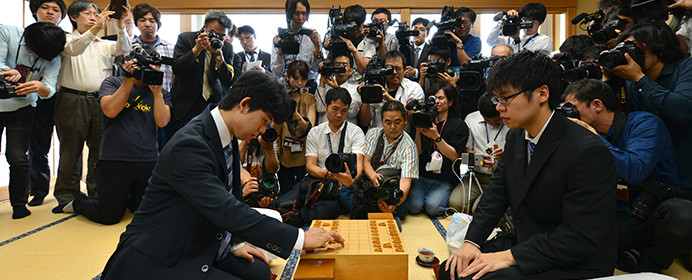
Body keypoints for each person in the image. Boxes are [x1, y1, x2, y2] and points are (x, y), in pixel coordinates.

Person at [101, 71, 344, 279]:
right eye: (263, 121)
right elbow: (227, 210)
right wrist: (299, 239)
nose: (261, 131)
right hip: (163, 255)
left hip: (202, 239)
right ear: (245, 104)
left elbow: (228, 201)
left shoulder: (225, 134)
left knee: (258, 272)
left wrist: (233, 243)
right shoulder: (190, 145)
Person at [438, 51, 618, 280]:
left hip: (572, 259)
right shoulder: (516, 137)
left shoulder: (587, 150)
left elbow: (580, 236)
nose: (499, 107)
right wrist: (472, 242)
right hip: (529, 241)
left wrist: (509, 256)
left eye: (506, 98)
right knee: (451, 270)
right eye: (496, 99)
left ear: (542, 93)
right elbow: (495, 194)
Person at [564, 79, 692, 273]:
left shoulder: (644, 123)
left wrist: (592, 138)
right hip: (617, 215)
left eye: (572, 108)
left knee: (683, 216)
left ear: (597, 105)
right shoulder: (582, 138)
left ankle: (648, 262)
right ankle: (627, 254)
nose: (570, 116)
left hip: (654, 215)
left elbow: (634, 170)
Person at [65, 53, 172, 225]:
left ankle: (125, 199)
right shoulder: (112, 83)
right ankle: (79, 202)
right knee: (109, 217)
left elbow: (162, 122)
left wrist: (157, 93)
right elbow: (110, 111)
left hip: (148, 159)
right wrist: (129, 79)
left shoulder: (162, 93)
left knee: (145, 211)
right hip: (115, 159)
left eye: (155, 66)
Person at [52, 0, 132, 213]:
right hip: (71, 100)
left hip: (102, 101)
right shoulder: (65, 39)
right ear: (73, 17)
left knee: (101, 151)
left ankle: (99, 194)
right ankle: (66, 198)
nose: (93, 17)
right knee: (70, 151)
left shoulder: (105, 43)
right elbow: (74, 51)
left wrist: (121, 25)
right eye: (87, 13)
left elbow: (125, 48)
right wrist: (96, 28)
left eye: (96, 14)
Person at [605, 23, 692, 189]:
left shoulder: (686, 68)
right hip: (651, 178)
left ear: (658, 48)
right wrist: (608, 79)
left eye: (632, 48)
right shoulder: (631, 82)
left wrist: (640, 79)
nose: (627, 55)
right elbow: (618, 122)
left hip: (685, 174)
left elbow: (684, 110)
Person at [0, 22, 64, 219]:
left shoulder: (52, 54)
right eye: (33, 51)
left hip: (23, 108)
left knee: (17, 156)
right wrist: (7, 71)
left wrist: (38, 87)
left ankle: (19, 204)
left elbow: (49, 88)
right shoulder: (7, 33)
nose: (36, 57)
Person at [293, 87, 365, 222]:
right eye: (335, 109)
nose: (339, 115)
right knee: (291, 201)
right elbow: (310, 166)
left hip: (344, 185)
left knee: (319, 211)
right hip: (320, 181)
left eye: (344, 111)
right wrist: (329, 175)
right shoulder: (315, 132)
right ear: (325, 106)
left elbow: (359, 164)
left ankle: (301, 221)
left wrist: (351, 180)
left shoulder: (355, 132)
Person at [168, 10, 236, 136]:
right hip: (185, 106)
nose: (218, 38)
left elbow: (227, 78)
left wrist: (219, 55)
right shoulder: (186, 39)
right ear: (204, 26)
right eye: (213, 33)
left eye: (222, 35)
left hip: (211, 105)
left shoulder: (226, 47)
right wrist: (196, 49)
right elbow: (178, 69)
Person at [26, 0, 67, 207]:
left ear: (62, 16)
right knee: (37, 145)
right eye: (45, 8)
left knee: (69, 146)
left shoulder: (67, 40)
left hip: (64, 96)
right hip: (34, 98)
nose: (50, 12)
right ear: (35, 11)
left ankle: (70, 189)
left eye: (56, 10)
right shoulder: (25, 39)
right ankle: (39, 189)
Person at [409, 84, 469, 217]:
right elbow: (418, 152)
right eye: (433, 98)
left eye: (441, 98)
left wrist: (436, 137)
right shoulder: (423, 119)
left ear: (451, 101)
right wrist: (419, 128)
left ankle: (436, 198)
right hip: (423, 176)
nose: (437, 101)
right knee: (414, 207)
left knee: (432, 208)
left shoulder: (459, 125)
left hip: (445, 178)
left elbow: (454, 156)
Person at [352, 101, 418, 220]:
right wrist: (372, 176)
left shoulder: (410, 146)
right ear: (382, 122)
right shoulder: (373, 133)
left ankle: (373, 210)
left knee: (403, 208)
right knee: (345, 193)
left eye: (397, 122)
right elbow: (365, 161)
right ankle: (377, 212)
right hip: (370, 182)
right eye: (388, 122)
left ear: (405, 121)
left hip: (390, 188)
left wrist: (394, 204)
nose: (393, 127)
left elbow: (405, 180)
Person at [449, 92, 507, 213]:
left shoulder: (511, 121)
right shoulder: (471, 119)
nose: (492, 124)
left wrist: (503, 157)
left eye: (497, 121)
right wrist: (479, 159)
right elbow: (465, 150)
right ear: (479, 111)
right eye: (488, 121)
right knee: (455, 204)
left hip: (500, 178)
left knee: (478, 210)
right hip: (476, 176)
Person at [275, 60, 316, 195]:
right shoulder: (281, 98)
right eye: (296, 78)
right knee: (285, 193)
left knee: (300, 194)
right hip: (284, 156)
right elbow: (275, 130)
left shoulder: (310, 98)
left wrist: (295, 113)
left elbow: (309, 128)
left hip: (303, 155)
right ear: (288, 77)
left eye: (303, 79)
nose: (299, 83)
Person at [359, 50, 424, 128]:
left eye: (398, 68)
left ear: (404, 70)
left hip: (403, 137)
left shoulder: (414, 88)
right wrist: (366, 96)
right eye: (389, 69)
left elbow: (415, 117)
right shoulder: (376, 87)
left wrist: (389, 98)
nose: (394, 72)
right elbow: (364, 122)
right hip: (379, 136)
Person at [271, 0, 322, 85]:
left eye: (304, 13)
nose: (301, 18)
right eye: (297, 14)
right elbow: (276, 73)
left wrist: (317, 47)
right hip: (286, 85)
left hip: (308, 84)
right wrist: (280, 52)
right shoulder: (280, 37)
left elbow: (316, 69)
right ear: (289, 14)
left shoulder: (312, 36)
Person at [131, 3, 173, 92]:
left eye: (152, 21)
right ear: (136, 23)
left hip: (163, 97)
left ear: (158, 24)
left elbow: (175, 77)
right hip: (133, 98)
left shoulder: (170, 48)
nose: (147, 24)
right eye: (142, 20)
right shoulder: (129, 47)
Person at [486, 2, 553, 55]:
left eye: (533, 22)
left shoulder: (544, 40)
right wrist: (502, 23)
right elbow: (490, 41)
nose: (527, 25)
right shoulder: (509, 39)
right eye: (525, 20)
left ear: (540, 23)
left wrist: (516, 40)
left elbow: (527, 60)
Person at [315, 53, 361, 125]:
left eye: (344, 65)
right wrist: (322, 79)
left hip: (347, 133)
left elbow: (352, 112)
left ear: (351, 71)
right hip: (324, 131)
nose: (340, 67)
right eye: (337, 65)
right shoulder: (324, 86)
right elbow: (320, 108)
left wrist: (337, 88)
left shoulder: (355, 89)